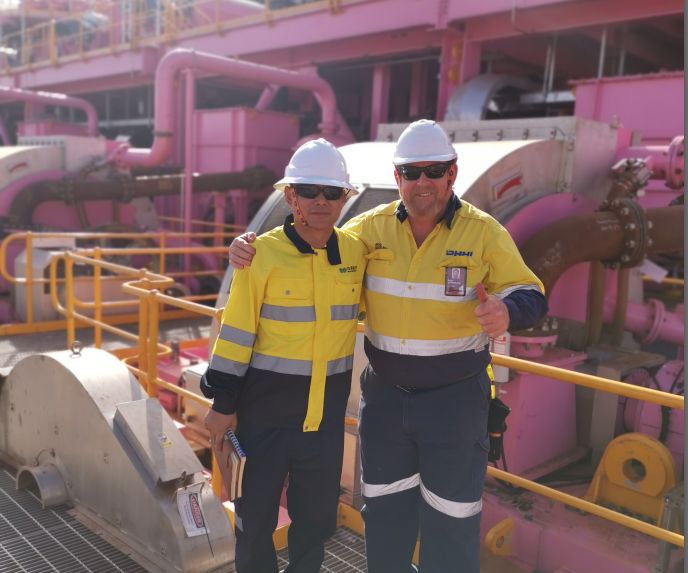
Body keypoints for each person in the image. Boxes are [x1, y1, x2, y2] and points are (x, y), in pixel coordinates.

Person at [228, 120, 548, 573]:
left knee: (452, 522)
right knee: (384, 516)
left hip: (454, 406)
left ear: (452, 174)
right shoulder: (368, 230)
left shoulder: (484, 233)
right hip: (386, 405)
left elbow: (532, 293)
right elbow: (312, 245)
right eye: (411, 172)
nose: (422, 182)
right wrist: (249, 248)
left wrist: (507, 309)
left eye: (433, 171)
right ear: (397, 177)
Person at [202, 139, 367, 573]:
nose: (320, 201)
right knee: (254, 527)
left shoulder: (356, 253)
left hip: (323, 426)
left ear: (345, 198)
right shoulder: (260, 255)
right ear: (291, 196)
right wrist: (223, 404)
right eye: (309, 191)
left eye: (332, 192)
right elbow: (235, 335)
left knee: (316, 524)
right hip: (264, 423)